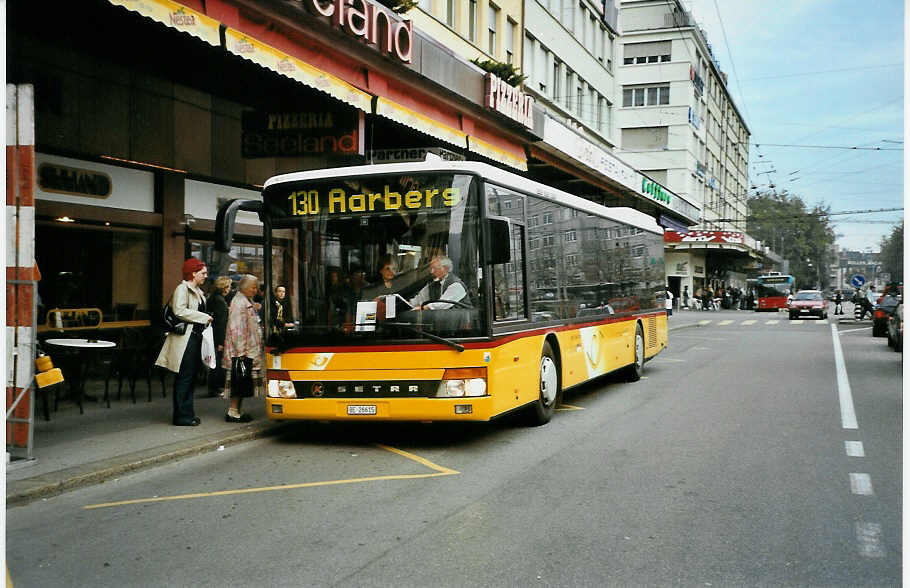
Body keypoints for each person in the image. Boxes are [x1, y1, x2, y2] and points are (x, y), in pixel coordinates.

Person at [155, 258, 212, 426]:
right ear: (193, 273)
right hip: (185, 339)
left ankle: (187, 413)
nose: (206, 276)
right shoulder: (182, 289)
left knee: (190, 376)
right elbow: (179, 310)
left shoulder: (197, 291)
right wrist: (204, 317)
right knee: (185, 377)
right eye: (203, 273)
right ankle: (181, 416)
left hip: (194, 338)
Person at [222, 274, 262, 423]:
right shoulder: (239, 303)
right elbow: (237, 329)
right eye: (253, 287)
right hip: (242, 352)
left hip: (246, 351)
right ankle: (233, 412)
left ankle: (237, 410)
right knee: (238, 381)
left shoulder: (244, 300)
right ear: (245, 287)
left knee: (243, 382)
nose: (256, 290)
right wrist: (241, 353)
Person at [207, 276, 231, 397]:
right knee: (217, 362)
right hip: (218, 335)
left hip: (213, 334)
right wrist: (221, 341)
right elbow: (221, 322)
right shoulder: (220, 301)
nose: (230, 289)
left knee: (214, 361)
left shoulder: (214, 298)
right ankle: (215, 387)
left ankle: (214, 387)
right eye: (229, 286)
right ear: (224, 288)